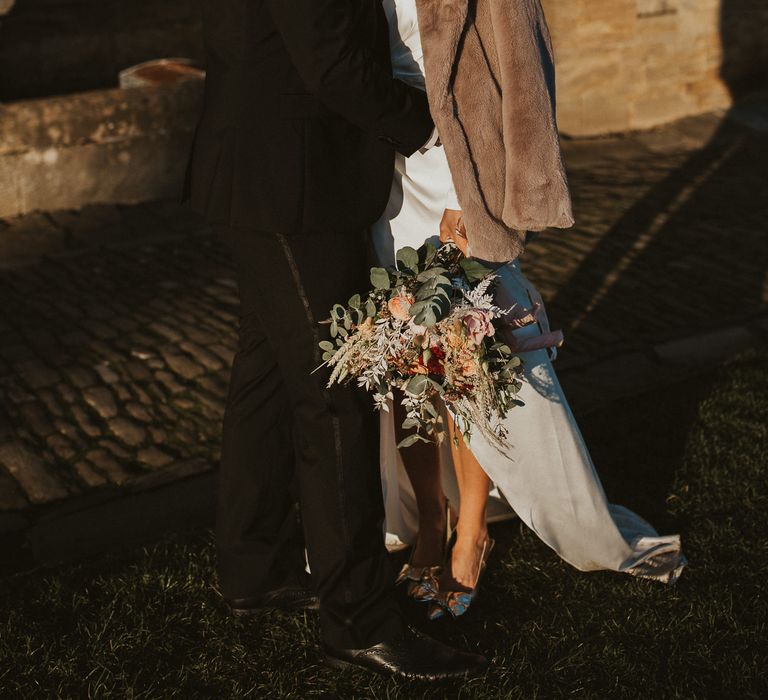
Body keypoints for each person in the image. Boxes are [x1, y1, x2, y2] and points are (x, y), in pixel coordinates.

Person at [184, 0, 487, 680]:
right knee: (336, 393)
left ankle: (252, 567)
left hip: (268, 167)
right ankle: (357, 619)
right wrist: (430, 123)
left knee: (263, 373)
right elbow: (331, 62)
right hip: (292, 181)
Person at [373, 0, 686, 620]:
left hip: (455, 167)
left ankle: (471, 533)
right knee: (405, 350)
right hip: (383, 170)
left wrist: (493, 193)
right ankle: (429, 523)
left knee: (466, 355)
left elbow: (523, 64)